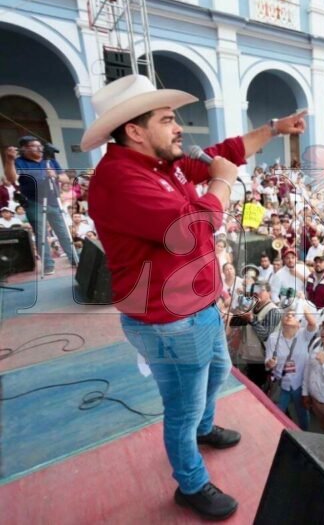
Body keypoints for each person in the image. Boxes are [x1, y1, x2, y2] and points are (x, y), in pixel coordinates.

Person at [82, 74, 306, 519]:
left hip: (197, 309)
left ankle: (204, 429)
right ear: (134, 129)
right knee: (181, 406)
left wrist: (275, 128)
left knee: (217, 371)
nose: (179, 127)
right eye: (167, 119)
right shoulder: (120, 179)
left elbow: (225, 153)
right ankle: (191, 483)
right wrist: (222, 184)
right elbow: (190, 229)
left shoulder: (164, 163)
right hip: (167, 321)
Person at [3, 136, 78, 274]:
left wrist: (55, 175)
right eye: (34, 145)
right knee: (41, 235)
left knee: (63, 232)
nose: (39, 148)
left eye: (40, 145)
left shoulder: (50, 161)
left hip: (53, 201)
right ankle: (48, 265)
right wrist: (9, 160)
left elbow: (65, 178)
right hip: (33, 201)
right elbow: (12, 178)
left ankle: (74, 259)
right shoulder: (19, 162)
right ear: (24, 148)